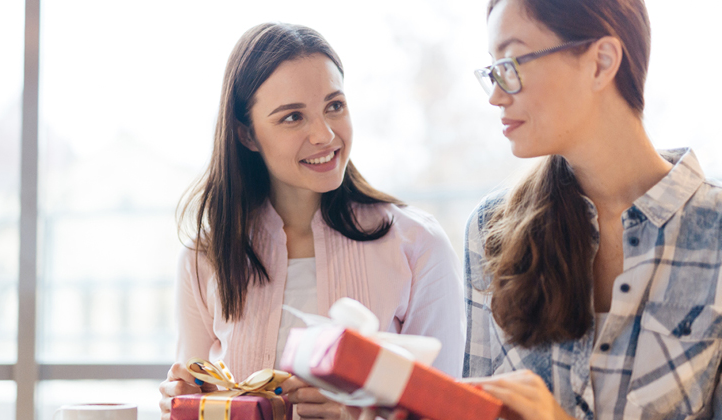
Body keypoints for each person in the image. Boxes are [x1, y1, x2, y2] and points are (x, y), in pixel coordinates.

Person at [158, 22, 465, 420]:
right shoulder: (203, 260)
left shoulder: (418, 244)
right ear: (246, 134)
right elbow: (198, 402)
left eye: (334, 106)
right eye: (292, 118)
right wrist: (184, 400)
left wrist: (359, 414)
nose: (324, 135)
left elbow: (448, 412)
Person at [462, 0, 722, 419]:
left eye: (511, 64)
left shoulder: (715, 234)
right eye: (492, 71)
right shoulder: (491, 230)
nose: (495, 95)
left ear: (601, 62)